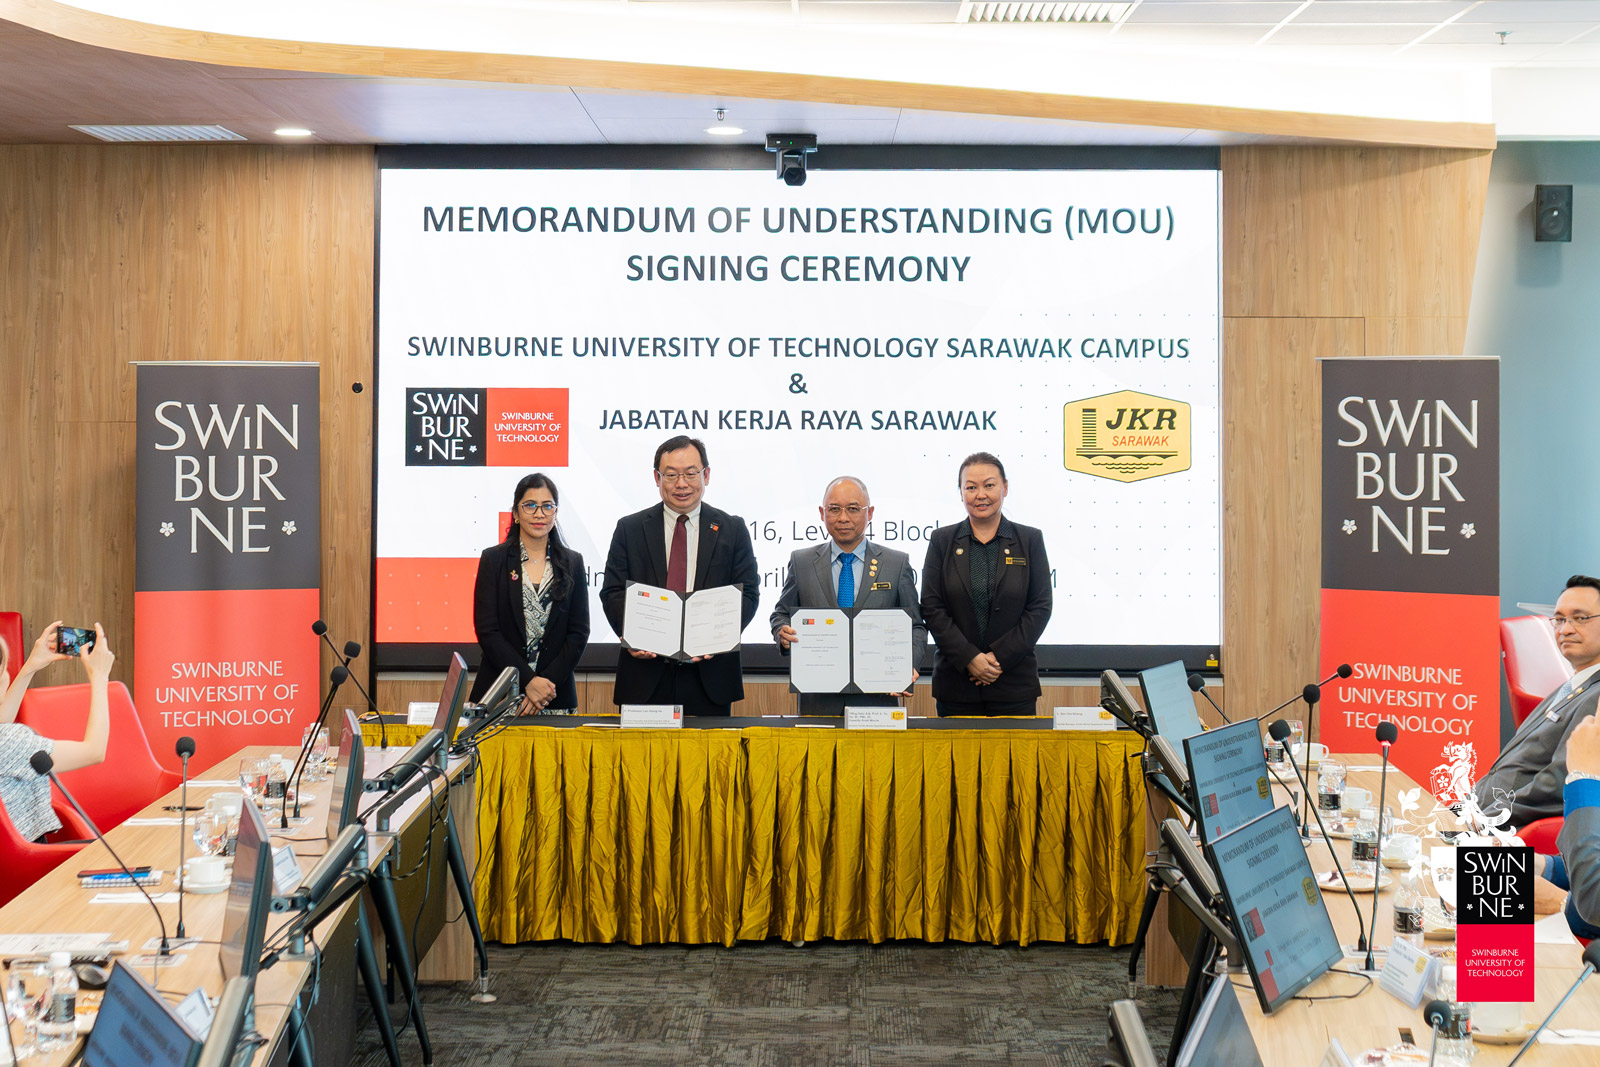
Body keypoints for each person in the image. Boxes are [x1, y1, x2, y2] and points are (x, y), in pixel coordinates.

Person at [599, 436, 759, 716]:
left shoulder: (732, 529)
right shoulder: (630, 528)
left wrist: (719, 638)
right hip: (644, 676)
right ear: (657, 478)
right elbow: (613, 592)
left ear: (706, 475)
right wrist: (633, 635)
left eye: (690, 473)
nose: (681, 484)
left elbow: (748, 594)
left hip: (710, 677)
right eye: (671, 475)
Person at [770, 476, 926, 715]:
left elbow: (915, 626)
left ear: (869, 513)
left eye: (853, 509)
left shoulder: (896, 563)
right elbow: (781, 614)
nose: (843, 517)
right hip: (818, 700)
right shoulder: (802, 562)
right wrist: (782, 632)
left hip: (878, 699)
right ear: (822, 513)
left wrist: (908, 664)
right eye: (834, 509)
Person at [920, 452, 1052, 716]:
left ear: (1005, 488)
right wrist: (969, 658)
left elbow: (1040, 607)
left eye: (989, 485)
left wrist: (997, 657)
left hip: (1014, 685)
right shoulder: (942, 541)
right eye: (971, 487)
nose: (980, 495)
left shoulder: (1029, 540)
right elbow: (932, 607)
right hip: (956, 685)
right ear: (961, 492)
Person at [1473, 574, 1600, 828]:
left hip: (1509, 834)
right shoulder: (1572, 686)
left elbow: (1558, 784)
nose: (1565, 629)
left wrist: (1481, 821)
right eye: (1559, 619)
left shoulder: (1595, 697)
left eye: (1580, 618)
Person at [471, 473, 589, 714]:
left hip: (554, 694)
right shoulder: (494, 559)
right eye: (530, 505)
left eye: (547, 506)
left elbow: (578, 633)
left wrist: (543, 686)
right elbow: (488, 630)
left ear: (555, 513)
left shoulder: (572, 562)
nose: (539, 514)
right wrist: (528, 681)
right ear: (516, 513)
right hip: (500, 693)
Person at [0, 623, 114, 843]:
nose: (7, 674)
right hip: (29, 856)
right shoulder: (10, 741)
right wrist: (100, 678)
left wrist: (31, 666)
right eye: (4, 668)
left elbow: (1, 719)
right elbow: (94, 751)